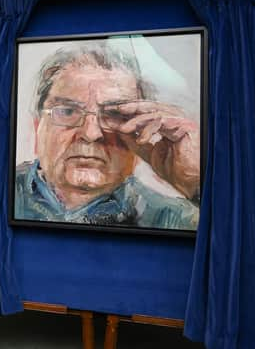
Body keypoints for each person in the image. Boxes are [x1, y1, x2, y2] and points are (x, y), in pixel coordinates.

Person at [14, 40, 200, 230]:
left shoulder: (177, 219)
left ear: (141, 130)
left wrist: (194, 184)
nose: (91, 133)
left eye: (114, 115)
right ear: (38, 126)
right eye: (68, 111)